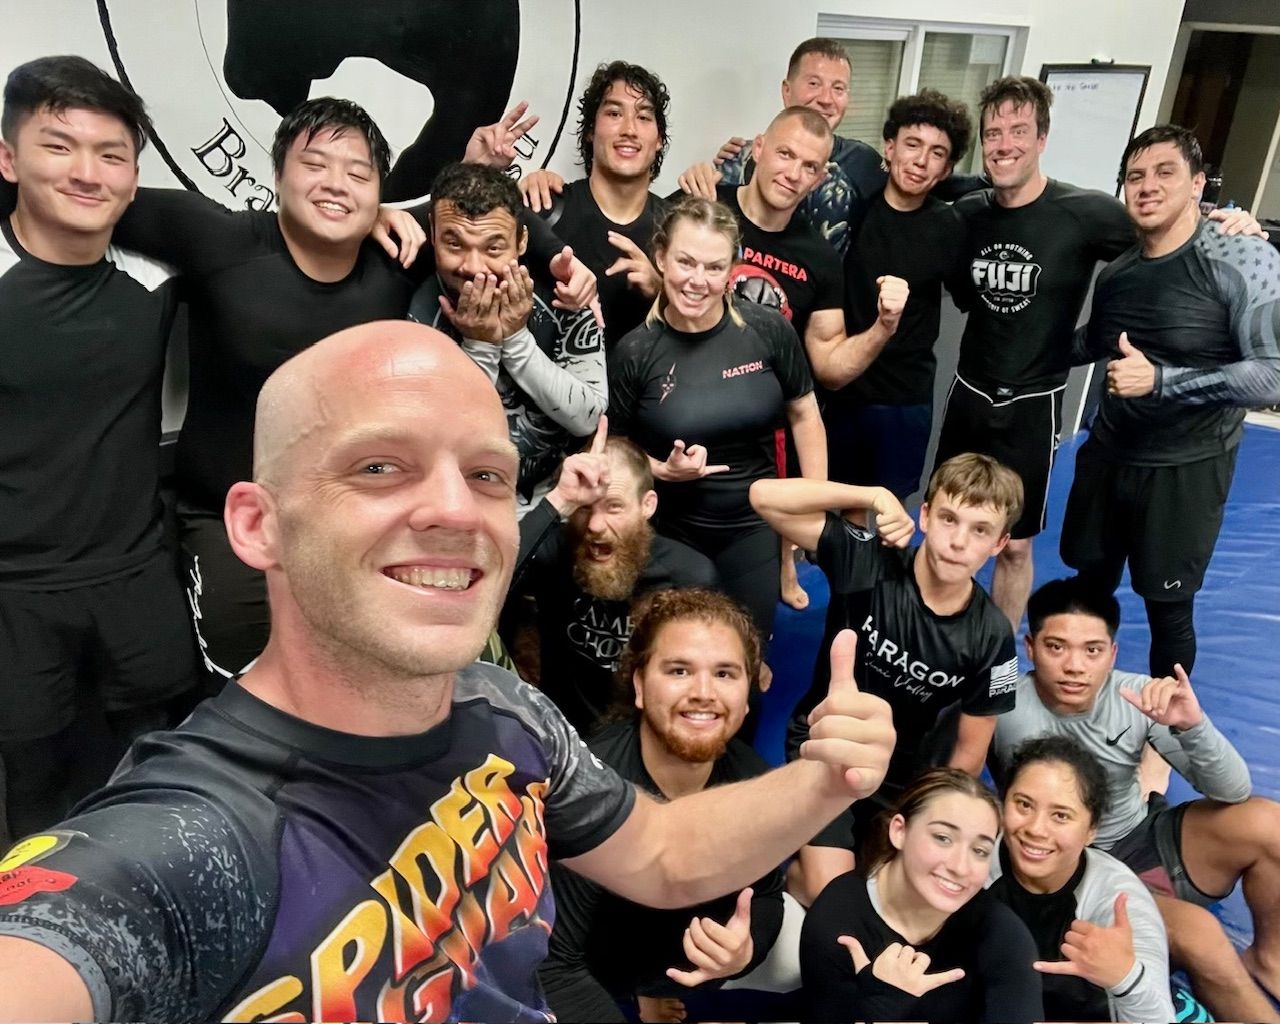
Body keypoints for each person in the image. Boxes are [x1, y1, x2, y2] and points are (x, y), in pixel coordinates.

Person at [0, 319, 897, 1023]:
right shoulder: (185, 843)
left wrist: (823, 786)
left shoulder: (506, 709)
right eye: (380, 466)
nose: (453, 511)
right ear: (256, 525)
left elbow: (664, 854)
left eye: (487, 475)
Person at [0, 92, 598, 686]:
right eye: (315, 166)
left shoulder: (400, 251)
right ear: (278, 175)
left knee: (371, 672)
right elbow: (84, 191)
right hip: (226, 516)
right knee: (250, 683)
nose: (336, 184)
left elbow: (482, 223)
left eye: (357, 174)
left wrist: (567, 268)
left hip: (354, 518)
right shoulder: (218, 239)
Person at [934, 76, 1261, 633]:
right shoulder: (966, 212)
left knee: (1011, 547)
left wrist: (1232, 229)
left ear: (1042, 138)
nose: (1005, 143)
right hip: (968, 395)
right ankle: (936, 631)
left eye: (1019, 131)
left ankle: (998, 666)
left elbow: (1166, 230)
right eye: (994, 133)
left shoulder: (1085, 212)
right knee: (948, 529)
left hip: (1032, 405)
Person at [0, 56, 197, 842]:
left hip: (136, 580)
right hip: (14, 594)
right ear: (9, 158)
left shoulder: (158, 277)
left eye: (112, 154)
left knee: (161, 787)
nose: (88, 173)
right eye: (59, 146)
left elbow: (293, 247)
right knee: (37, 820)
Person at [991, 576, 1280, 1022]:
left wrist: (1193, 725)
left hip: (1144, 837)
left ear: (1112, 653)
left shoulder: (1138, 695)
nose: (1074, 666)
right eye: (1056, 647)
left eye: (1092, 650)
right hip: (1070, 865)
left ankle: (1269, 962)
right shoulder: (1002, 705)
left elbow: (1233, 790)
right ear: (1029, 647)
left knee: (1267, 822)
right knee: (1203, 937)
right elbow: (957, 777)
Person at [753, 453, 1023, 904]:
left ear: (999, 544)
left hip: (904, 779)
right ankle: (805, 871)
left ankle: (807, 864)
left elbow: (970, 754)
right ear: (924, 516)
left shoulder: (992, 636)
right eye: (949, 519)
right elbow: (764, 497)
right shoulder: (869, 561)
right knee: (832, 899)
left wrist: (930, 820)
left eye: (980, 531)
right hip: (828, 747)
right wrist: (871, 494)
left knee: (888, 903)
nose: (958, 542)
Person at [1061, 124, 1280, 677]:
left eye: (1165, 172)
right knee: (1087, 588)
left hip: (1187, 467)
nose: (1148, 186)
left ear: (1198, 184)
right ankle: (1079, 702)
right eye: (1135, 176)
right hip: (1110, 456)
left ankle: (1165, 741)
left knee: (1169, 608)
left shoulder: (1245, 258)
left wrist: (1161, 381)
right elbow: (1092, 343)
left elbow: (1272, 376)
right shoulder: (1119, 274)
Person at [695, 105, 908, 610]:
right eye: (785, 154)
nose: (793, 173)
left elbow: (828, 369)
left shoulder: (819, 257)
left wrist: (883, 327)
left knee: (748, 593)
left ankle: (782, 561)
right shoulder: (703, 206)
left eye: (810, 166)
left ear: (820, 178)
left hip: (757, 431)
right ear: (758, 148)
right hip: (685, 406)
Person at [539, 588, 787, 1022]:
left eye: (726, 674)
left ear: (747, 697)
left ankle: (652, 990)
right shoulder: (588, 795)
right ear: (639, 685)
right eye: (679, 670)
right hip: (599, 966)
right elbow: (554, 965)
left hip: (680, 956)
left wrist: (744, 952)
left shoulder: (756, 781)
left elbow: (767, 896)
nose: (704, 692)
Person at [608, 195, 825, 640]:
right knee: (677, 652)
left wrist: (811, 507)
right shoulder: (636, 351)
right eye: (686, 262)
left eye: (714, 267)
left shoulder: (767, 330)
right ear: (661, 257)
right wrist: (662, 470)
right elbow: (614, 451)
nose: (697, 281)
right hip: (672, 532)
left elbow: (805, 415)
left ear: (732, 269)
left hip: (752, 527)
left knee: (746, 655)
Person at [407, 161, 607, 516]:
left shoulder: (568, 292)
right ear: (433, 234)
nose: (473, 266)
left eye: (493, 248)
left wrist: (515, 339)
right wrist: (480, 345)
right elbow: (437, 440)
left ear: (522, 242)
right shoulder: (419, 312)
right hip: (456, 504)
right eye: (454, 244)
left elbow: (587, 417)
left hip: (559, 501)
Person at [510, 420, 719, 734]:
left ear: (647, 505)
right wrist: (560, 500)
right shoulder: (556, 552)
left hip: (642, 736)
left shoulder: (689, 575)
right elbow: (493, 572)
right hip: (562, 732)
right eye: (584, 507)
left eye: (614, 507)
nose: (595, 525)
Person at [800, 768, 1044, 1023]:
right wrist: (880, 1009)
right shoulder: (837, 921)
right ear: (899, 831)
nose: (960, 867)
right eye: (942, 838)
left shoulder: (1000, 930)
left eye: (980, 851)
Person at [825, 90, 974, 500]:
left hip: (904, 399)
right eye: (912, 144)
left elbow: (969, 298)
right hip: (845, 390)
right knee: (841, 509)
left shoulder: (950, 227)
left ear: (946, 169)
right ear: (890, 148)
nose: (921, 160)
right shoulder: (853, 209)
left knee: (893, 514)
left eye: (937, 153)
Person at [989, 735, 1174, 1022]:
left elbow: (1159, 1017)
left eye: (1061, 816)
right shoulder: (971, 864)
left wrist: (1127, 979)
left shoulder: (1116, 901)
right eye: (1024, 805)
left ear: (1091, 830)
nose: (1036, 829)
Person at [518, 61, 670, 348]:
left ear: (659, 139)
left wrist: (661, 291)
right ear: (590, 130)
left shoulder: (676, 230)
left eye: (644, 117)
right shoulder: (544, 207)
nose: (629, 129)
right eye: (614, 113)